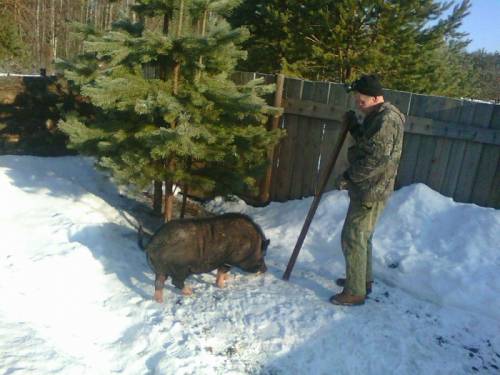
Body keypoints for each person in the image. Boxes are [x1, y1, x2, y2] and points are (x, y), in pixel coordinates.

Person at [330, 74, 405, 306]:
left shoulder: (386, 120)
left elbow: (375, 159)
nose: (358, 104)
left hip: (370, 190)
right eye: (357, 100)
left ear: (375, 98)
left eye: (361, 101)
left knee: (353, 236)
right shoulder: (378, 116)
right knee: (363, 236)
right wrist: (354, 125)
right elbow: (367, 143)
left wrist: (348, 178)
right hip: (369, 188)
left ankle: (354, 292)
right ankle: (363, 281)